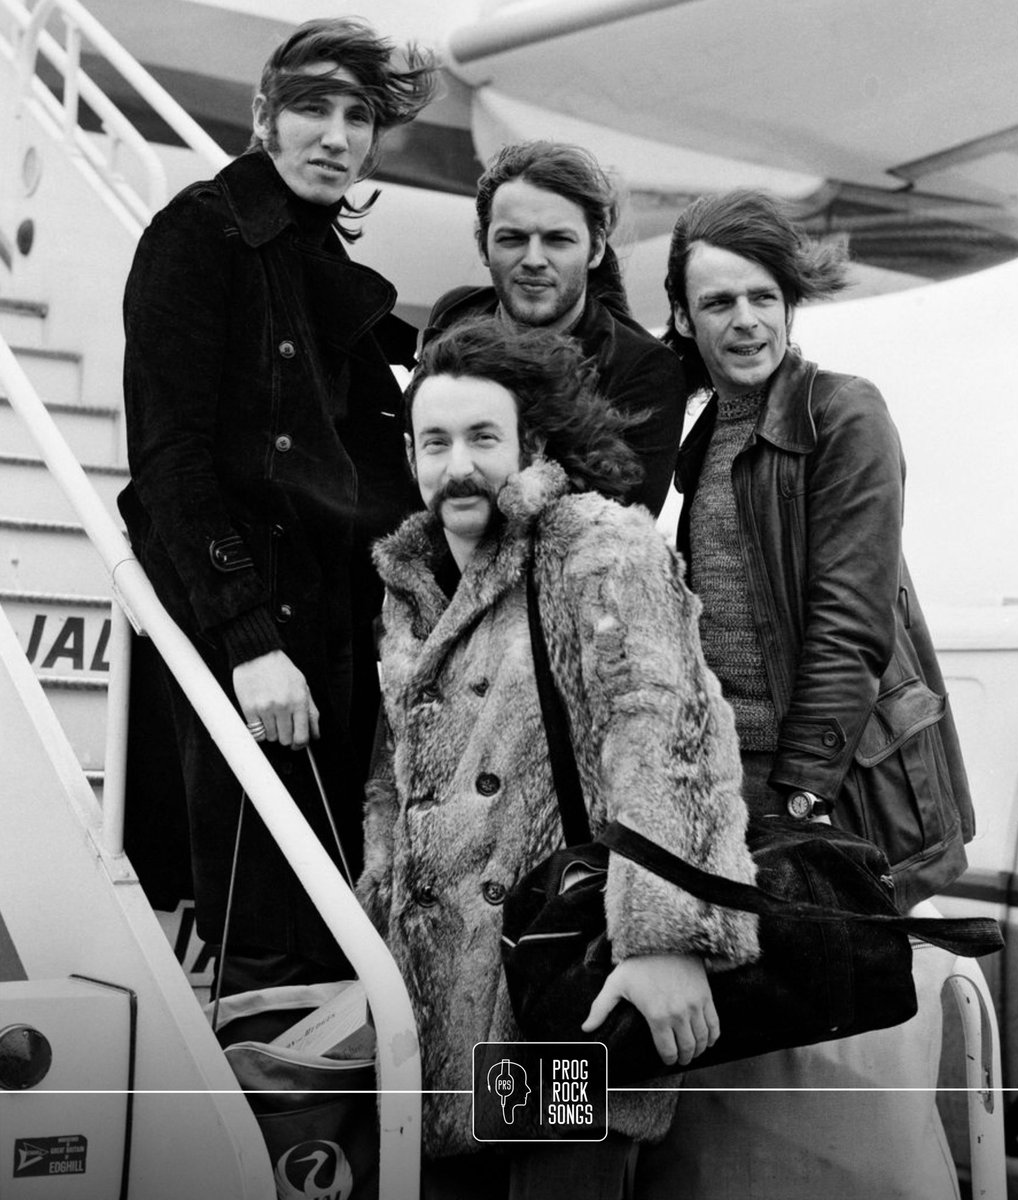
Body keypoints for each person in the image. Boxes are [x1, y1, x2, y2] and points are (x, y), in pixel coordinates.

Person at [357, 317, 759, 1199]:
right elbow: (395, 786)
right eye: (435, 442)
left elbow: (669, 738)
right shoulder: (413, 587)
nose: (457, 464)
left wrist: (664, 941)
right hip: (434, 1015)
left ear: (531, 442)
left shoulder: (594, 547)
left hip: (559, 1002)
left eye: (482, 438)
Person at [633, 189, 976, 1198]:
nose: (742, 320)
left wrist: (801, 800)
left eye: (760, 296)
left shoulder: (843, 410)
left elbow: (848, 624)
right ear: (685, 322)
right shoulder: (703, 442)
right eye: (715, 304)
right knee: (756, 1086)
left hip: (840, 794)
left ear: (792, 303)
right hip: (735, 793)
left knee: (854, 1086)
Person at [118, 17, 437, 996]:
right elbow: (168, 456)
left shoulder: (319, 264)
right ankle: (279, 1142)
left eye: (358, 115)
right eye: (312, 107)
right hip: (258, 621)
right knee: (265, 923)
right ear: (265, 115)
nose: (336, 134)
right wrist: (249, 637)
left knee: (333, 920)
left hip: (340, 618)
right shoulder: (201, 233)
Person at [422, 141, 685, 516]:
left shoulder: (643, 369)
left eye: (558, 240)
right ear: (483, 245)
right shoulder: (455, 315)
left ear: (595, 250)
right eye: (512, 238)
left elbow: (618, 531)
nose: (533, 260)